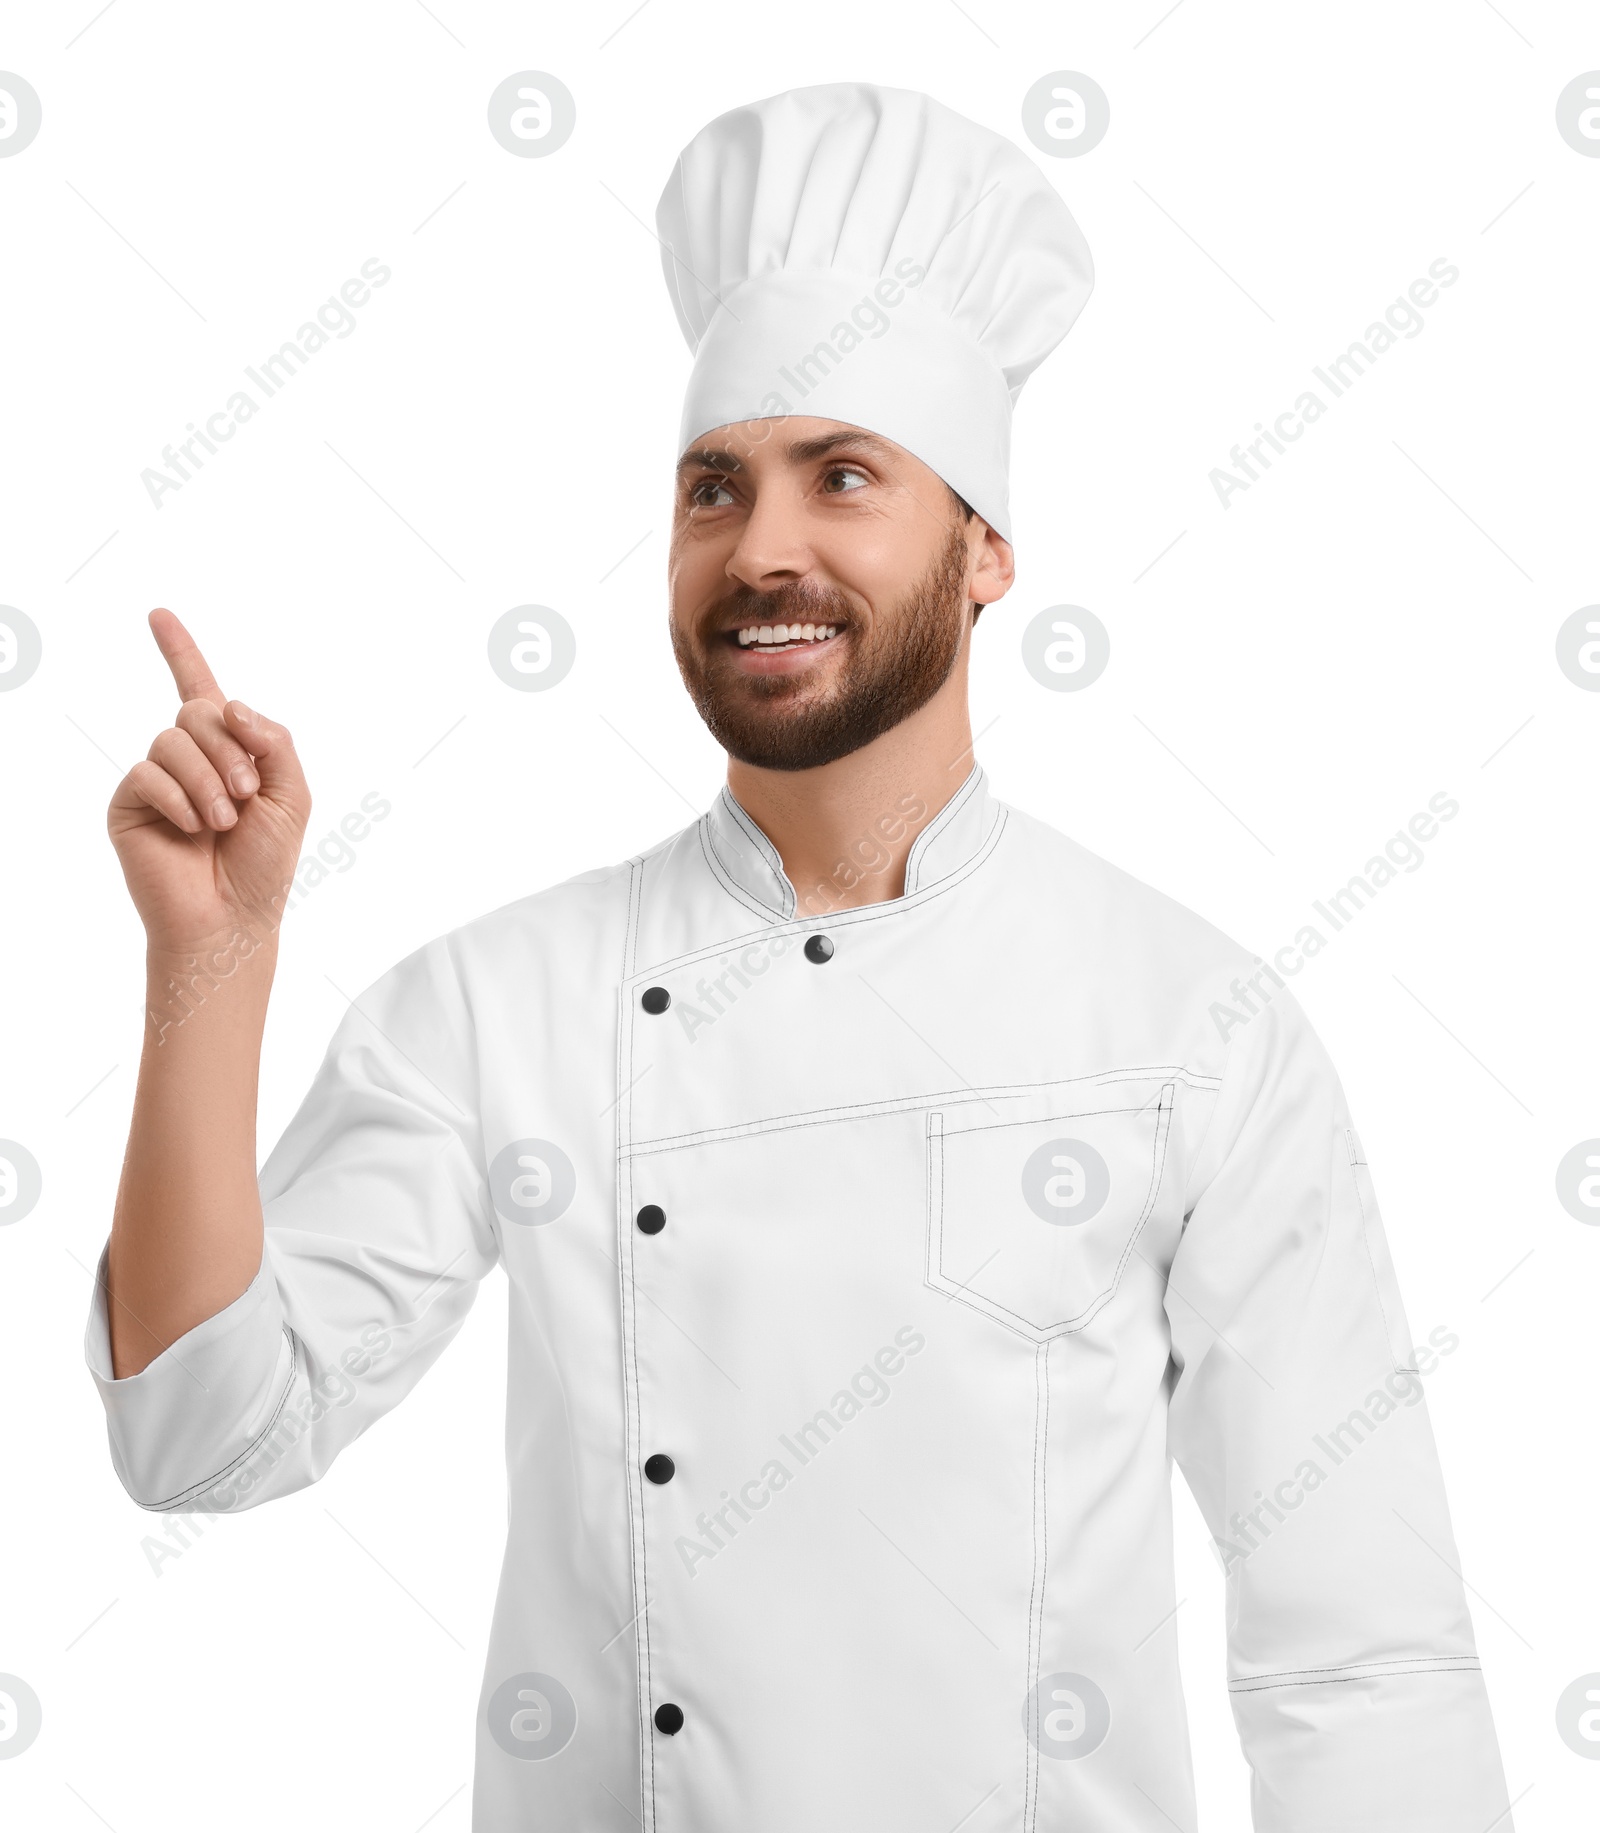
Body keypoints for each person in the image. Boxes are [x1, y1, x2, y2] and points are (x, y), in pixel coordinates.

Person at [87, 82, 1513, 1831]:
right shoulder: (502, 1004)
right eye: (714, 488)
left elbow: (1361, 1654)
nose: (763, 547)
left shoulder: (1190, 1024)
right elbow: (203, 1436)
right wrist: (210, 970)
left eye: (844, 476)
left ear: (985, 551)